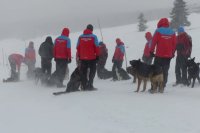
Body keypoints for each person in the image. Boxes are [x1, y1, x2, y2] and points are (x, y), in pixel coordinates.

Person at [150, 18, 176, 92]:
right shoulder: (172, 32)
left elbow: (153, 41)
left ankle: (154, 87)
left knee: (156, 71)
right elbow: (174, 44)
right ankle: (162, 87)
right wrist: (173, 53)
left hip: (159, 55)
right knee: (165, 71)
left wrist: (151, 51)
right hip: (168, 56)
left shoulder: (158, 31)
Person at [76, 24, 99, 90]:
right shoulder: (94, 37)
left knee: (84, 71)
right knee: (92, 71)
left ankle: (84, 85)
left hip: (83, 58)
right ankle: (90, 85)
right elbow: (97, 47)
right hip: (92, 58)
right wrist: (97, 56)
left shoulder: (80, 37)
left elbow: (78, 47)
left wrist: (79, 55)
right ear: (91, 30)